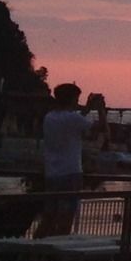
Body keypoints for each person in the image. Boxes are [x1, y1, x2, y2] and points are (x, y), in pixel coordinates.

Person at [37, 82, 91, 236]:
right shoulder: (73, 118)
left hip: (52, 173)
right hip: (71, 172)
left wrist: (86, 109)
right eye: (76, 99)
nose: (77, 102)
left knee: (49, 215)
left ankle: (36, 250)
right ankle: (60, 251)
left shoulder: (49, 117)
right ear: (73, 99)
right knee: (66, 217)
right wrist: (98, 109)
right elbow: (94, 127)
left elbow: (75, 121)